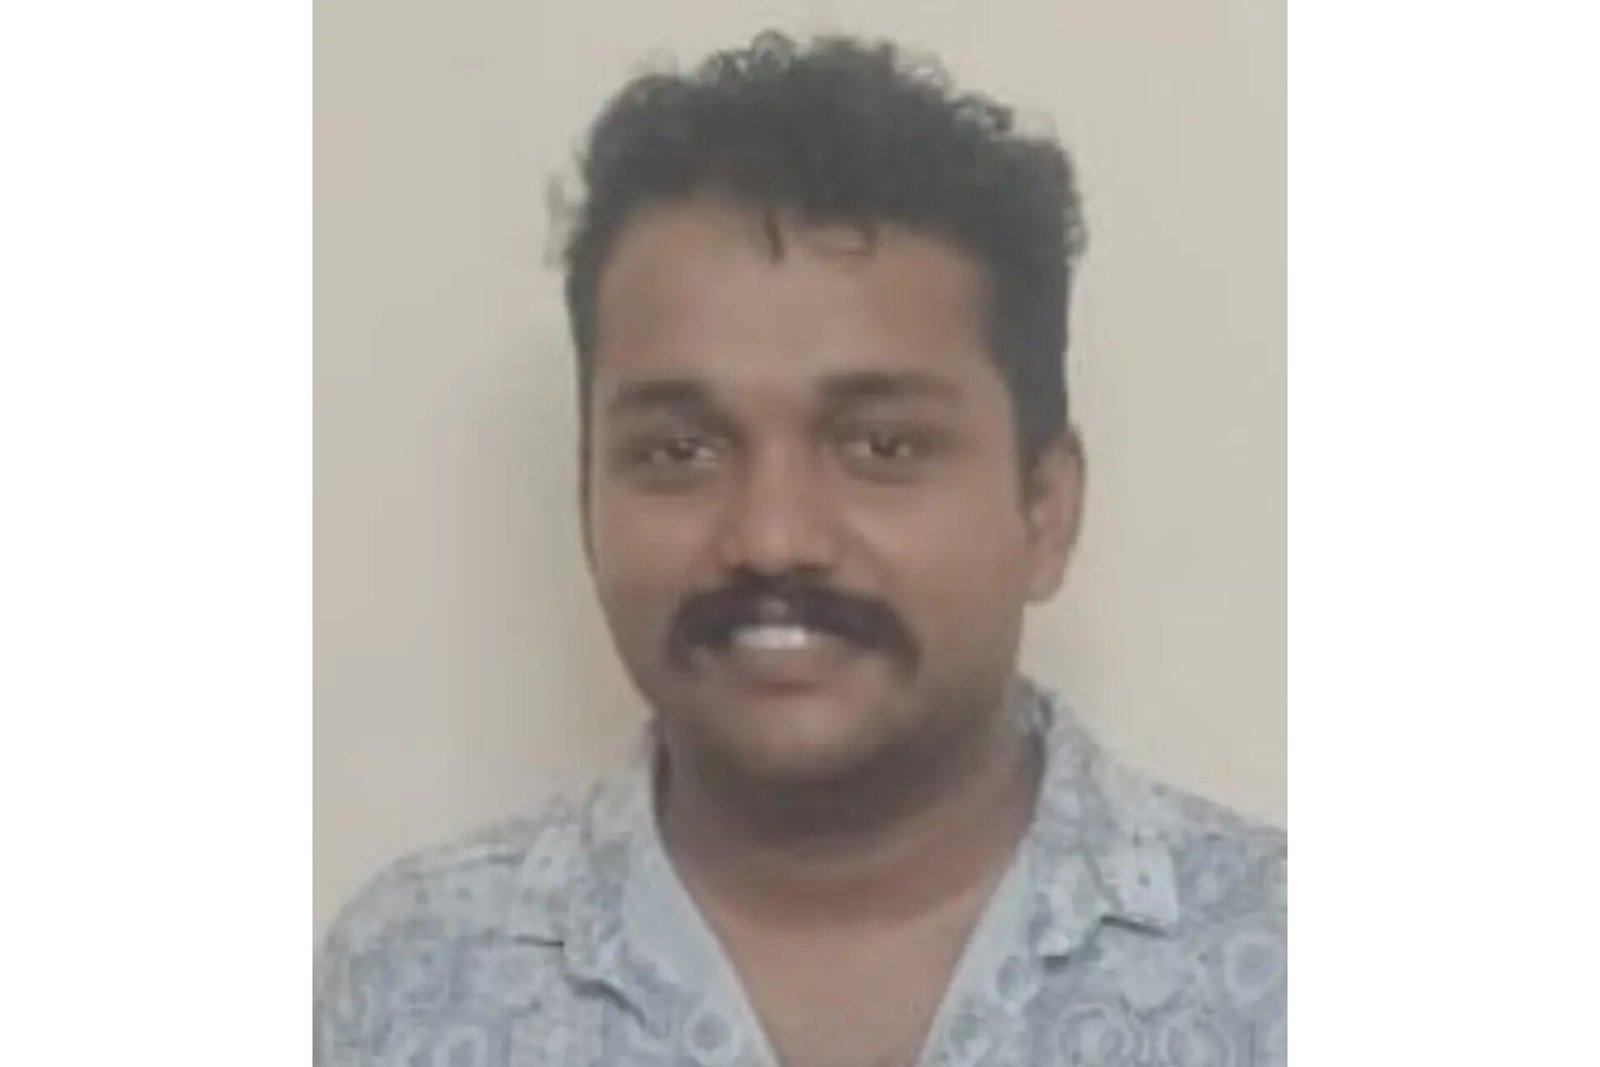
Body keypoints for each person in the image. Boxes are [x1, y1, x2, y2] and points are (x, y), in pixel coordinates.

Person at [315, 31, 1286, 1067]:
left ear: (1044, 508)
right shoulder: (413, 981)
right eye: (679, 451)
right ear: (586, 500)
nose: (772, 537)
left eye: (881, 446)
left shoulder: (1284, 967)